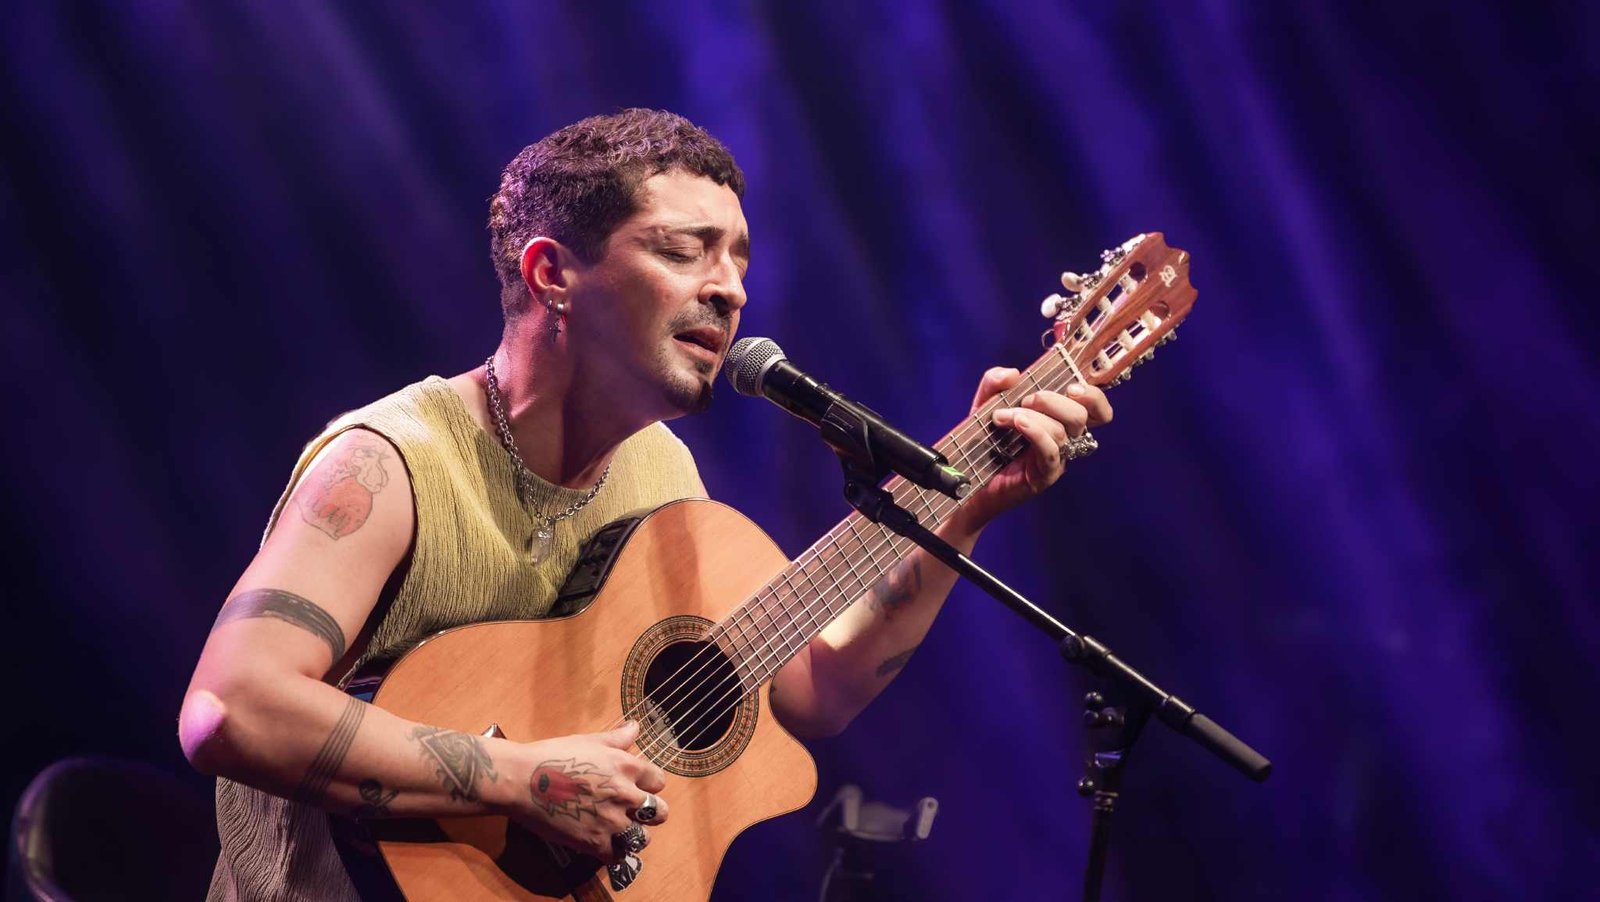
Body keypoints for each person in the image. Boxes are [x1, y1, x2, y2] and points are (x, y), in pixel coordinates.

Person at [179, 108, 1112, 900]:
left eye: (740, 258)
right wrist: (527, 779)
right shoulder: (389, 463)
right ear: (552, 276)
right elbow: (231, 706)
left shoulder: (661, 475)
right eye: (683, 250)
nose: (731, 287)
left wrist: (964, 513)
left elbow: (813, 691)